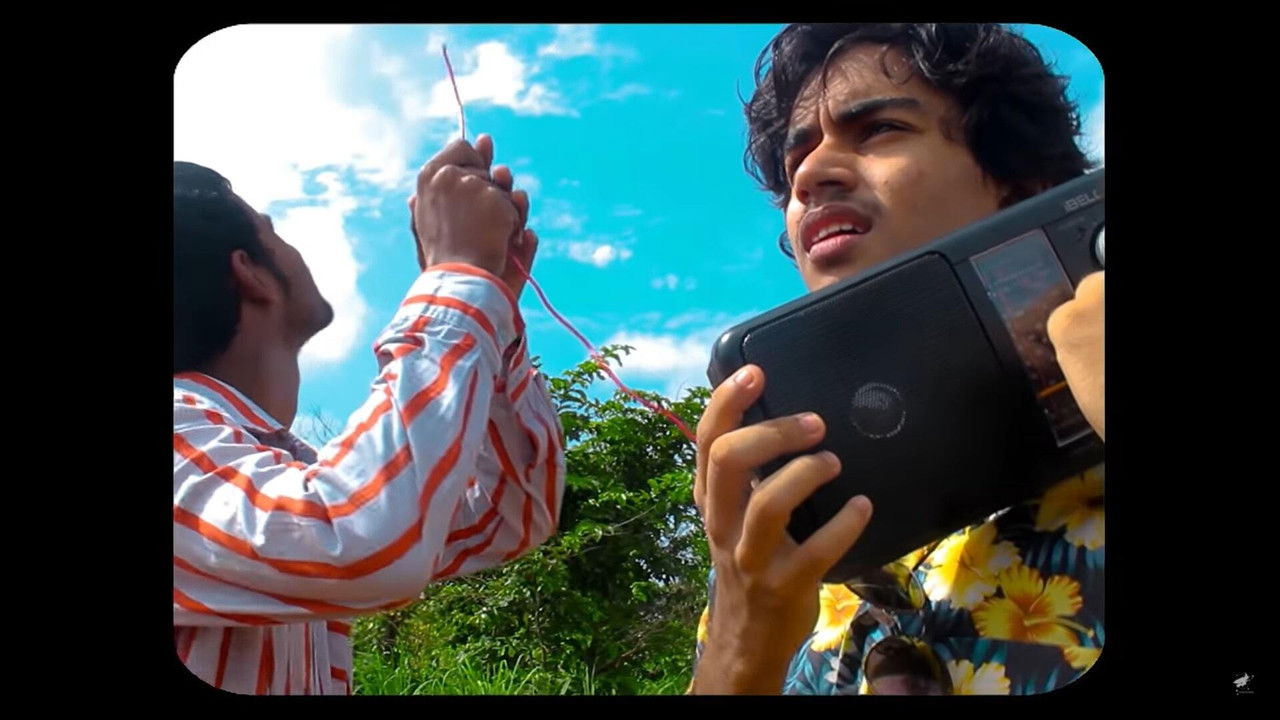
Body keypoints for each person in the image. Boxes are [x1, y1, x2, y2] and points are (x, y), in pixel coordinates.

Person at [688, 23, 1104, 695]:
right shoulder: (778, 536)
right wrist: (740, 650)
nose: (809, 177)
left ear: (1023, 185)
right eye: (795, 164)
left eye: (879, 129)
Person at [173, 135, 566, 694]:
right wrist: (457, 281)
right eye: (272, 230)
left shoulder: (272, 470)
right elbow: (354, 537)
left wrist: (488, 303)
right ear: (249, 272)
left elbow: (506, 517)